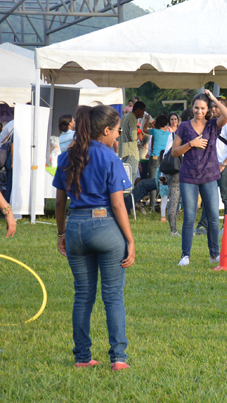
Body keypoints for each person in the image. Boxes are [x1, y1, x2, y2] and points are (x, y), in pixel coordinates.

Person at [53, 105, 134, 371]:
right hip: (105, 225)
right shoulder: (110, 157)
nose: (119, 135)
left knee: (82, 296)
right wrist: (130, 240)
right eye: (117, 130)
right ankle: (118, 359)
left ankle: (82, 357)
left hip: (75, 227)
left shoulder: (67, 157)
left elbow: (60, 203)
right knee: (112, 297)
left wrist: (61, 233)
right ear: (106, 130)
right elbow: (119, 205)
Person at [172, 91, 227, 266]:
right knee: (189, 216)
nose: (199, 111)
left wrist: (213, 99)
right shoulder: (183, 127)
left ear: (208, 109)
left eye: (203, 108)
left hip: (210, 175)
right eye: (196, 107)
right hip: (188, 176)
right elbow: (174, 152)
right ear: (192, 108)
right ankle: (185, 255)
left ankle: (214, 254)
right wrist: (191, 144)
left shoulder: (213, 125)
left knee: (213, 216)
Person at [194, 97, 227, 235]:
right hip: (211, 165)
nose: (213, 109)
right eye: (212, 106)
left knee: (225, 196)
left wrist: (224, 163)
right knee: (208, 195)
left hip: (224, 166)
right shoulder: (211, 123)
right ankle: (203, 226)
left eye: (217, 107)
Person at [147, 114, 171, 212]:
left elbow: (144, 130)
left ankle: (152, 206)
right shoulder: (169, 134)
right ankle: (163, 206)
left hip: (154, 159)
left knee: (153, 182)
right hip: (164, 160)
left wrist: (148, 120)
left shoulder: (155, 131)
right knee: (163, 182)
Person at [119, 101, 146, 182]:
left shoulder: (124, 117)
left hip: (124, 152)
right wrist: (139, 136)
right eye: (143, 111)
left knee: (125, 180)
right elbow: (133, 136)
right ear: (138, 109)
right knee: (131, 180)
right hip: (131, 154)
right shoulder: (133, 118)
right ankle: (128, 195)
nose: (143, 114)